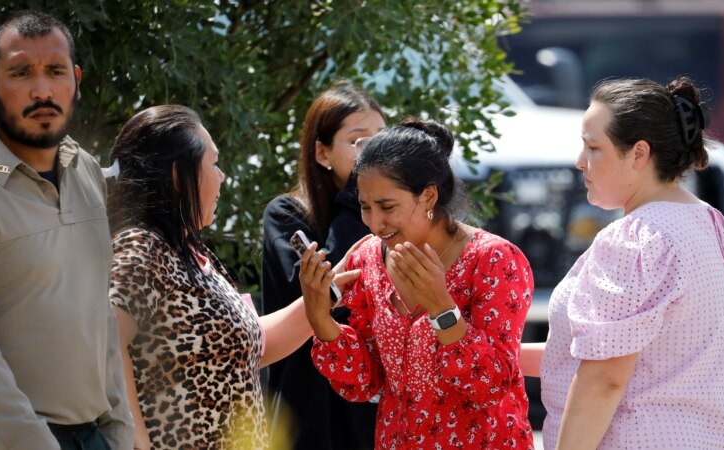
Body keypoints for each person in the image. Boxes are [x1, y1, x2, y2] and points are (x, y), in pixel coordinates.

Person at [106, 104, 364, 450]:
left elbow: (255, 346)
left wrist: (327, 294)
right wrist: (138, 443)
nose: (222, 176)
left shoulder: (186, 251)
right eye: (213, 163)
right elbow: (106, 341)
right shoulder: (141, 246)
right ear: (178, 176)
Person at [521, 77, 724, 450]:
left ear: (639, 154)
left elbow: (604, 377)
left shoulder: (635, 237)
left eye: (593, 148)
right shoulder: (705, 221)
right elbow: (631, 355)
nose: (580, 162)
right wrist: (493, 354)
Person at [299, 118, 535, 449]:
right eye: (365, 207)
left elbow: (491, 385)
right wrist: (320, 318)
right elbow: (364, 383)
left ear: (427, 196)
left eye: (387, 206)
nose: (374, 222)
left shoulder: (494, 260)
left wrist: (442, 310)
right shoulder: (367, 258)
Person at [0, 10, 133, 450]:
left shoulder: (87, 173)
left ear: (75, 80)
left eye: (56, 71)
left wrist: (118, 430)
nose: (42, 90)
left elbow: (99, 313)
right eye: (20, 72)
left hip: (95, 436)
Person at [261, 82, 384, 449]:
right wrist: (359, 197)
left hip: (374, 399)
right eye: (359, 141)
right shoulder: (286, 215)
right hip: (312, 404)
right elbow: (329, 290)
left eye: (381, 139)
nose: (373, 152)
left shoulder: (393, 217)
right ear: (322, 152)